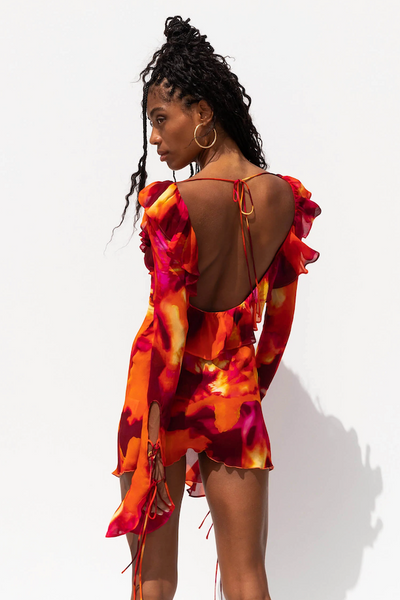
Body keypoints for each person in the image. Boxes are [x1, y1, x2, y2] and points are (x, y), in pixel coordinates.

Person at [106, 15, 321, 600]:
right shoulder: (283, 197)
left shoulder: (174, 205)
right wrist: (248, 394)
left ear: (202, 113)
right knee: (248, 577)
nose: (154, 138)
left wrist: (155, 434)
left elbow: (170, 331)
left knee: (154, 580)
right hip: (234, 388)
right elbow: (277, 328)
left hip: (161, 397)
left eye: (160, 119)